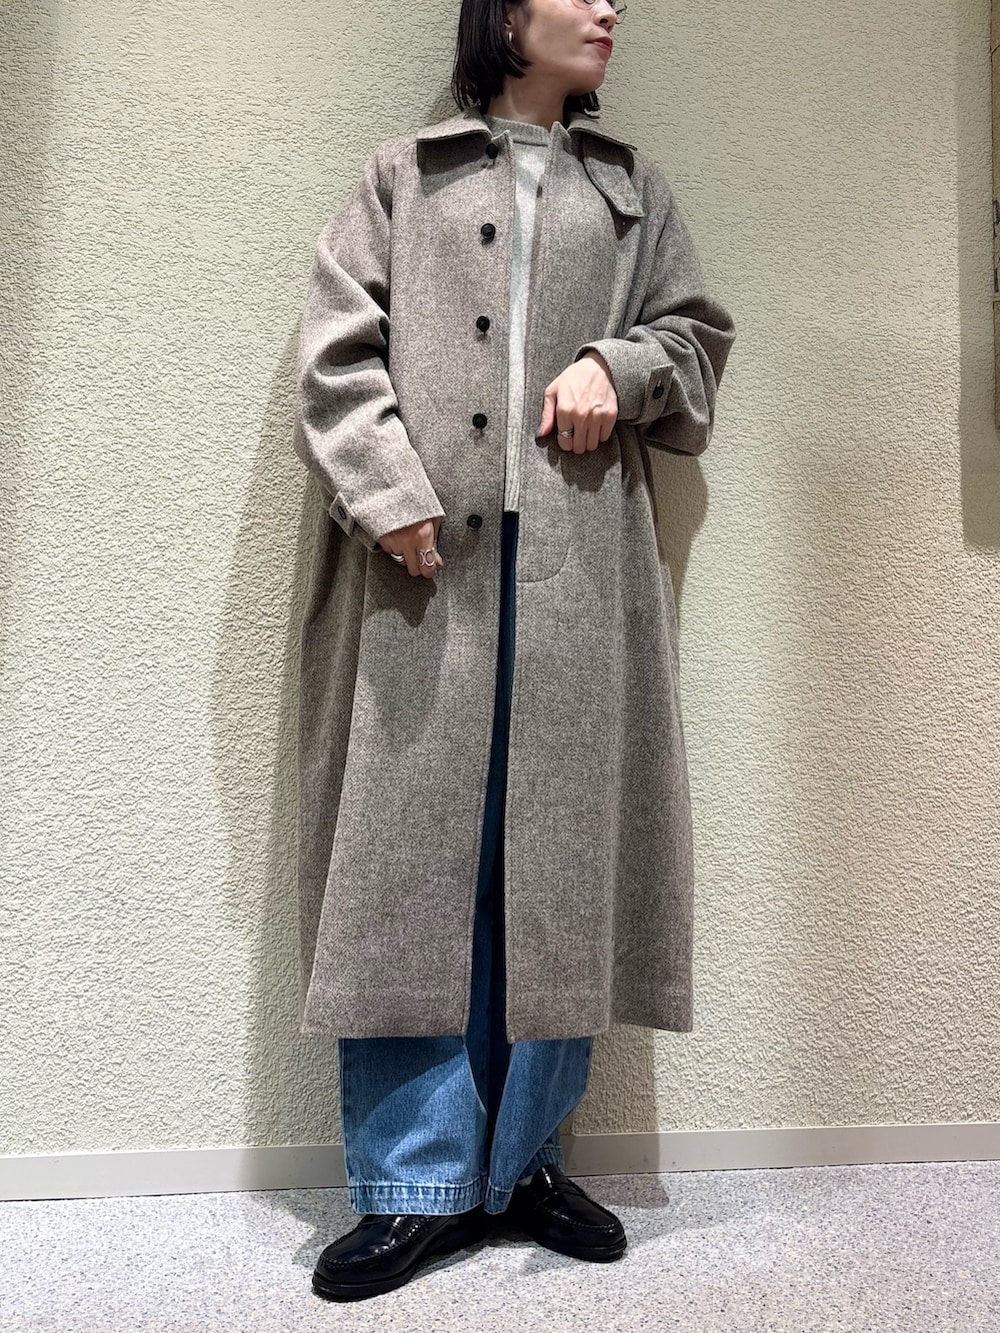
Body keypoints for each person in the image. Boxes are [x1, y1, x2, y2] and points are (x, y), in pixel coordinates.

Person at [293, 0, 736, 1304]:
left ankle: (529, 1161)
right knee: (413, 870)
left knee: (557, 866)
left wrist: (621, 363)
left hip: (581, 584)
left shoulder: (631, 189)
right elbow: (334, 357)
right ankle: (415, 1183)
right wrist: (387, 491)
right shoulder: (402, 177)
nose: (606, 8)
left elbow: (699, 341)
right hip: (422, 582)